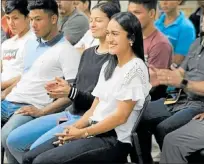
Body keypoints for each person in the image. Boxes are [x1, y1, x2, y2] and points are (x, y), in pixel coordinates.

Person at [22, 11, 151, 164]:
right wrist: (73, 128)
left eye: (115, 34)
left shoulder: (135, 68)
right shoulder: (110, 64)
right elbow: (94, 108)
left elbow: (120, 117)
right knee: (28, 157)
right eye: (108, 33)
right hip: (93, 130)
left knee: (41, 161)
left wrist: (82, 133)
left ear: (131, 38)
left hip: (112, 139)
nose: (109, 39)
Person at [6, 3, 120, 163]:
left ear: (114, 23)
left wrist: (70, 93)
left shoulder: (116, 58)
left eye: (98, 20)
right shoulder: (88, 53)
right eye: (92, 19)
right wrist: (63, 91)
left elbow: (99, 104)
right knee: (14, 140)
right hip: (70, 113)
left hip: (89, 119)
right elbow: (77, 91)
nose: (92, 24)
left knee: (33, 153)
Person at [1, 0, 81, 163]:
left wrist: (42, 112)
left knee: (7, 137)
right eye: (31, 19)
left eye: (38, 19)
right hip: (9, 101)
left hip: (30, 106)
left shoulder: (67, 51)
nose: (33, 25)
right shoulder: (30, 45)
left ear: (53, 19)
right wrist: (4, 94)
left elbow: (73, 93)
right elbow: (24, 78)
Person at [138, 1, 204, 163]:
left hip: (202, 104)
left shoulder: (186, 28)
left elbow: (187, 81)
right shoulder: (197, 43)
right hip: (180, 98)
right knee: (138, 114)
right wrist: (165, 76)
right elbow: (181, 70)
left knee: (165, 128)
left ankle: (174, 158)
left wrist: (184, 82)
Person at [128, 0, 172, 100]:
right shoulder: (129, 37)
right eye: (130, 13)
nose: (131, 18)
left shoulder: (160, 44)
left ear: (151, 13)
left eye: (137, 13)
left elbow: (152, 86)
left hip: (145, 100)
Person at [1, 0, 33, 93]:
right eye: (8, 18)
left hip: (18, 93)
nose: (10, 23)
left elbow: (29, 75)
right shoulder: (6, 44)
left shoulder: (34, 41)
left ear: (27, 17)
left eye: (15, 18)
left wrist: (3, 88)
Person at [155, 0, 196, 65]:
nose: (164, 2)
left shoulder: (187, 27)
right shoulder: (156, 24)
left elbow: (178, 61)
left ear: (179, 1)